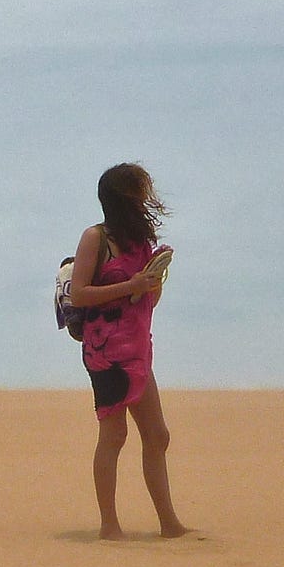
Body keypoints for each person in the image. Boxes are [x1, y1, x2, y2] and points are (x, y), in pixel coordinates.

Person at [66, 163, 189, 540]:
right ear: (124, 197)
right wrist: (129, 285)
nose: (148, 197)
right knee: (114, 434)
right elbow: (79, 292)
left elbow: (144, 297)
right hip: (105, 351)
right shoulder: (95, 238)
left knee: (157, 435)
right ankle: (109, 526)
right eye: (140, 190)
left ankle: (170, 524)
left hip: (137, 347)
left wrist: (152, 282)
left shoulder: (140, 241)